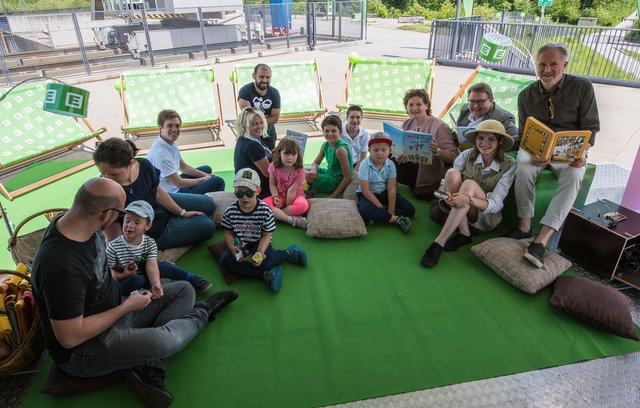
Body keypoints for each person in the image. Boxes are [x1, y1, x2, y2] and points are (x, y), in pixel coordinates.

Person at [30, 177, 238, 407]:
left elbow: (99, 272)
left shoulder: (79, 224)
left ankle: (146, 363)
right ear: (106, 214)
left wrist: (123, 282)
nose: (122, 221)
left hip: (115, 310)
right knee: (167, 339)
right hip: (85, 348)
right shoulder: (61, 266)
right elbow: (69, 338)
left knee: (183, 290)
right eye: (119, 214)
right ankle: (202, 313)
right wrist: (127, 306)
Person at [507, 42, 600, 268]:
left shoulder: (582, 87)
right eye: (542, 65)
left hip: (569, 150)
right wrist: (528, 147)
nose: (547, 70)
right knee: (524, 166)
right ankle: (524, 227)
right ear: (536, 66)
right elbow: (523, 133)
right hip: (536, 148)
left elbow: (591, 127)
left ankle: (541, 241)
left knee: (575, 175)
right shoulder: (525, 95)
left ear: (564, 64)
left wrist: (582, 152)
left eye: (553, 64)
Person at [421, 120, 516, 267]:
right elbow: (450, 178)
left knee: (469, 184)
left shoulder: (510, 165)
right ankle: (464, 233)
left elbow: (496, 204)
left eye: (491, 139)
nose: (484, 143)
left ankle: (439, 242)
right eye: (481, 138)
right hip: (461, 204)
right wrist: (442, 188)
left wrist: (468, 199)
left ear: (500, 141)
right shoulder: (466, 154)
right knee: (452, 173)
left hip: (484, 214)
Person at [94, 138, 215, 250]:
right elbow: (112, 237)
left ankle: (176, 217)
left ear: (131, 163)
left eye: (114, 174)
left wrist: (181, 212)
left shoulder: (144, 165)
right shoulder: (107, 193)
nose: (107, 178)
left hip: (158, 205)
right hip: (152, 231)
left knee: (210, 204)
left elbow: (158, 192)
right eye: (103, 173)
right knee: (208, 226)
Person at [220, 168, 308, 293]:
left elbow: (267, 235)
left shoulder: (265, 210)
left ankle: (287, 253)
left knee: (263, 262)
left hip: (259, 241)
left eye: (249, 193)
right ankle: (265, 274)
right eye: (239, 193)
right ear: (235, 191)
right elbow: (228, 233)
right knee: (226, 261)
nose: (244, 197)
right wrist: (232, 248)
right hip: (241, 243)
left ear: (257, 191)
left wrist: (260, 252)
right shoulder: (230, 211)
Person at [107, 200, 213, 296]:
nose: (130, 225)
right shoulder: (113, 247)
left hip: (141, 272)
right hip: (123, 281)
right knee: (138, 279)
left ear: (148, 226)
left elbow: (151, 266)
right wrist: (123, 275)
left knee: (162, 265)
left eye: (137, 222)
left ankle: (192, 278)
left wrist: (156, 284)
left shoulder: (149, 243)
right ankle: (141, 292)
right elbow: (108, 275)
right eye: (127, 221)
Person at [393, 89, 458, 200]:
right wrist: (399, 157)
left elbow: (453, 157)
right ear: (407, 108)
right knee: (385, 157)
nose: (414, 108)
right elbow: (398, 150)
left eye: (419, 104)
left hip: (428, 170)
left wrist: (436, 151)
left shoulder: (440, 127)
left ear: (426, 106)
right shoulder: (406, 124)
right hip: (409, 165)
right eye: (410, 105)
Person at [147, 109, 225, 195]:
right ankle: (211, 203)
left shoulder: (168, 142)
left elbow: (183, 167)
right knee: (218, 181)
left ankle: (204, 198)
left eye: (177, 126)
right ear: (160, 128)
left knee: (207, 169)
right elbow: (179, 183)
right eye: (169, 126)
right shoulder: (160, 154)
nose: (174, 129)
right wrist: (203, 179)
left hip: (174, 184)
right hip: (171, 194)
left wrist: (207, 176)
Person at [357, 133, 415, 233]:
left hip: (384, 192)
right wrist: (380, 206)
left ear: (390, 151)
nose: (380, 153)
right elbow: (365, 189)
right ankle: (397, 219)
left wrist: (391, 210)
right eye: (376, 150)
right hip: (368, 194)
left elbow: (391, 188)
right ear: (369, 150)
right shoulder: (364, 164)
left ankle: (379, 216)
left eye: (384, 150)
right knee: (365, 210)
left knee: (410, 209)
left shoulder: (391, 164)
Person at [263, 138, 309, 229]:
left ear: (298, 155)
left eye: (293, 154)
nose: (290, 157)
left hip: (295, 196)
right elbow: (272, 184)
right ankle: (291, 219)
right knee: (263, 204)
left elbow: (292, 191)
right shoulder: (273, 165)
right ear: (279, 153)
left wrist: (288, 206)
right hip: (280, 195)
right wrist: (275, 197)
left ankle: (278, 215)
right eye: (286, 153)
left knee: (303, 206)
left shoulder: (300, 169)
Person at [305, 115, 353, 198]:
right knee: (300, 169)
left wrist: (333, 195)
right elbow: (316, 162)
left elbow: (347, 177)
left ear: (340, 132)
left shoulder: (340, 150)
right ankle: (310, 187)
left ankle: (309, 189)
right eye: (327, 131)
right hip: (329, 172)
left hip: (335, 180)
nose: (330, 134)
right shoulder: (325, 145)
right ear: (322, 132)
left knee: (302, 174)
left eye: (334, 131)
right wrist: (313, 170)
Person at [237, 63, 281, 150]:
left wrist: (258, 123)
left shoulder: (274, 93)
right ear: (254, 76)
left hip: (268, 134)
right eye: (261, 77)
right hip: (250, 134)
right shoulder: (245, 91)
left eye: (268, 77)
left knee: (269, 160)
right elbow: (249, 118)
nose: (265, 80)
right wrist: (263, 122)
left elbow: (275, 118)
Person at [233, 107, 273, 199]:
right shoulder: (252, 146)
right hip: (259, 192)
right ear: (245, 125)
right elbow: (269, 173)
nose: (259, 126)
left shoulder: (244, 139)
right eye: (254, 124)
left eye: (261, 122)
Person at [340, 105, 369, 171]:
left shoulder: (364, 134)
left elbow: (363, 158)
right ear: (347, 118)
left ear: (362, 118)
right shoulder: (340, 133)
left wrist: (354, 173)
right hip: (341, 164)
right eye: (352, 117)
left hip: (357, 165)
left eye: (358, 117)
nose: (355, 120)